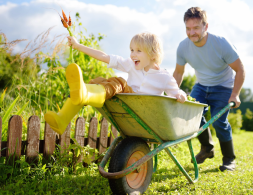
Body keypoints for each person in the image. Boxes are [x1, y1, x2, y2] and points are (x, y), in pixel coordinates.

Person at [45, 32, 187, 135]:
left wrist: (181, 96)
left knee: (119, 82)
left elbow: (176, 92)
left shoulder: (164, 77)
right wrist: (78, 46)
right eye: (131, 50)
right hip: (128, 108)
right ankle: (62, 118)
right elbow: (105, 57)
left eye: (138, 50)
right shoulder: (131, 64)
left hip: (144, 113)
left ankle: (86, 94)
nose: (132, 54)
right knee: (98, 82)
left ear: (153, 54)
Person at [173, 7, 245, 171]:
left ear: (206, 26)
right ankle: (207, 148)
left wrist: (235, 94)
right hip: (201, 86)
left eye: (196, 28)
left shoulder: (221, 43)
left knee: (219, 122)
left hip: (223, 87)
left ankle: (229, 159)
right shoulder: (183, 47)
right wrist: (171, 92)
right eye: (188, 28)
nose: (192, 33)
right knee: (192, 117)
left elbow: (240, 69)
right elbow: (178, 72)